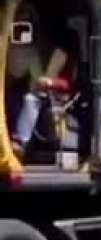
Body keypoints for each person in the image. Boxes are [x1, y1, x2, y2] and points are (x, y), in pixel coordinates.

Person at [8, 10, 80, 158]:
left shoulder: (63, 56)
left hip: (58, 97)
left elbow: (68, 85)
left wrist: (50, 82)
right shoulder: (34, 53)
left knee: (30, 100)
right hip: (40, 91)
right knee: (13, 95)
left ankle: (21, 141)